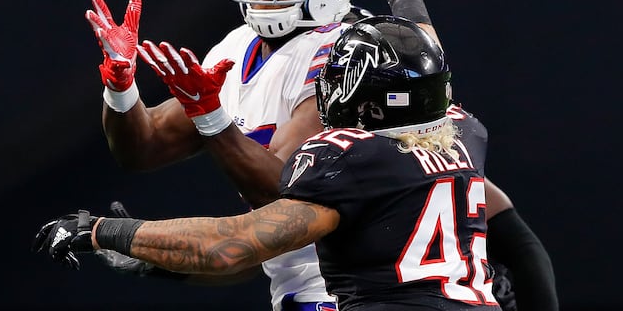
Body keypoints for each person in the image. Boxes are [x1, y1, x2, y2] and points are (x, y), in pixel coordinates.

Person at [77, 0, 556, 310]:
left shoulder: (347, 53)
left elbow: (276, 203)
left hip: (343, 292)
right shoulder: (459, 125)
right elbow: (142, 151)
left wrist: (121, 230)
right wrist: (121, 86)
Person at [34, 15, 504, 311]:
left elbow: (231, 246)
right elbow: (421, 38)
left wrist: (101, 230)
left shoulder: (352, 159)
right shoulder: (463, 133)